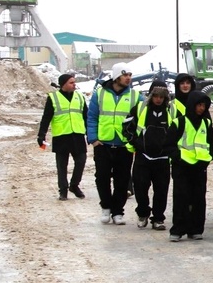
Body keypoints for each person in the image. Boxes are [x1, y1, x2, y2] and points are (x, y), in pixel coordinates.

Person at [87, 63, 138, 225]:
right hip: (103, 144)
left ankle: (118, 211)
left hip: (124, 145)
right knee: (102, 178)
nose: (128, 78)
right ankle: (106, 207)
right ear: (116, 77)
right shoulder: (99, 94)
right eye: (125, 75)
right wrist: (93, 139)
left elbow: (142, 118)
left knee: (122, 180)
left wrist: (134, 140)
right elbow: (92, 117)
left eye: (130, 75)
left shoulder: (135, 96)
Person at [122, 81, 177, 230]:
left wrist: (171, 149)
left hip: (163, 159)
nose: (158, 99)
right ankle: (143, 213)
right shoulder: (140, 108)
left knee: (161, 190)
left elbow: (180, 131)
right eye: (156, 96)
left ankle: (158, 218)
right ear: (151, 95)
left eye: (162, 96)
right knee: (140, 188)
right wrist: (135, 142)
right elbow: (126, 126)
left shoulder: (172, 111)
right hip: (143, 157)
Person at [169, 90, 213, 241]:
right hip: (182, 166)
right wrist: (178, 158)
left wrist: (209, 157)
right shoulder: (179, 122)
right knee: (181, 198)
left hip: (200, 167)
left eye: (204, 105)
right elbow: (168, 144)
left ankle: (196, 229)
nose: (202, 108)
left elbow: (211, 143)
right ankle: (177, 230)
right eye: (199, 105)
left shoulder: (206, 123)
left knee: (198, 198)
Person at [37, 72, 88, 200]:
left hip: (77, 134)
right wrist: (41, 135)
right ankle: (63, 190)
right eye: (71, 83)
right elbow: (46, 118)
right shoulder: (53, 97)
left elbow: (86, 116)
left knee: (81, 161)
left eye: (74, 82)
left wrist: (91, 132)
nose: (74, 85)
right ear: (63, 84)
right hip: (61, 136)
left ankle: (74, 185)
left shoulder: (79, 97)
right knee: (62, 166)